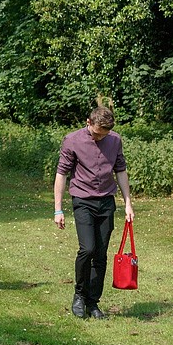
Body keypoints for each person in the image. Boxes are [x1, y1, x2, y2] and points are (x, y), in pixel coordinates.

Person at [53, 105, 134, 320]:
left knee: (100, 254)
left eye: (104, 134)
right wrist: (58, 209)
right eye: (97, 133)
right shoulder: (72, 140)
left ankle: (93, 303)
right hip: (83, 200)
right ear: (88, 123)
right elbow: (61, 174)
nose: (100, 138)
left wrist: (128, 203)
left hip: (106, 201)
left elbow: (121, 171)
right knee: (87, 249)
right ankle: (79, 295)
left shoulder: (115, 140)